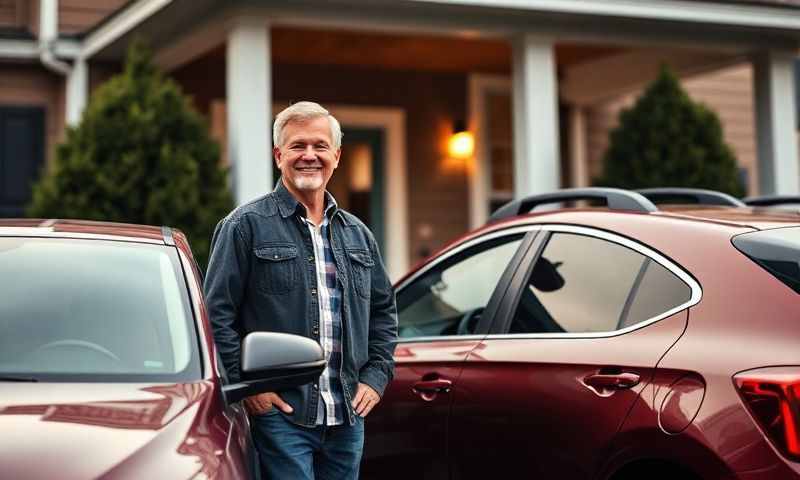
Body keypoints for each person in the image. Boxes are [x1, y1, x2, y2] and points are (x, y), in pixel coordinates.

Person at [204, 101, 398, 479]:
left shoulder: (358, 234)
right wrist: (247, 389)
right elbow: (216, 315)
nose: (309, 155)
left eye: (320, 146)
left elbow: (383, 312)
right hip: (282, 417)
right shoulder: (244, 226)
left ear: (336, 156)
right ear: (279, 155)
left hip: (347, 418)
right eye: (297, 146)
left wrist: (376, 377)